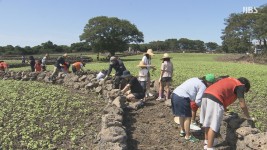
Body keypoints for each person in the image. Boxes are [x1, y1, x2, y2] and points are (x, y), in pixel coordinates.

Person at [200, 77, 252, 150]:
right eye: (245, 91)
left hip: (206, 94)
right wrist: (248, 117)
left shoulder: (230, 80)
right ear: (245, 86)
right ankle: (209, 147)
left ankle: (207, 142)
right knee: (213, 125)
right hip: (215, 98)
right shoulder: (240, 85)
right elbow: (242, 104)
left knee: (207, 122)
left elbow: (222, 91)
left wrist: (223, 108)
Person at [171, 74, 215, 142]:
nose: (211, 86)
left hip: (175, 94)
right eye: (212, 84)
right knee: (188, 117)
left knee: (182, 115)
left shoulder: (196, 78)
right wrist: (205, 108)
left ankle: (182, 131)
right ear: (209, 82)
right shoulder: (203, 86)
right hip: (182, 97)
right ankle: (188, 136)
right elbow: (198, 101)